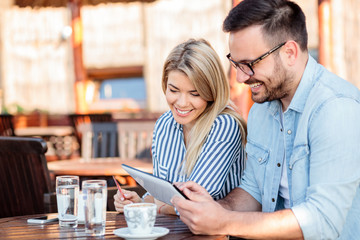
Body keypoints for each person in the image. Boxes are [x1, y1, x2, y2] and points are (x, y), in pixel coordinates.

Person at [171, 0, 360, 239]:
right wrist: (213, 208)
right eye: (236, 63)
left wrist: (225, 222)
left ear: (289, 52)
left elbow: (323, 221)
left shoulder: (336, 108)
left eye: (249, 64)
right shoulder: (261, 110)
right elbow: (253, 192)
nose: (240, 77)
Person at [114, 38, 247, 215]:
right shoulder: (164, 124)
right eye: (174, 90)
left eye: (194, 93)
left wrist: (151, 207)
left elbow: (192, 203)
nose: (182, 103)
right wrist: (139, 202)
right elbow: (162, 192)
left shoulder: (225, 126)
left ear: (212, 92)